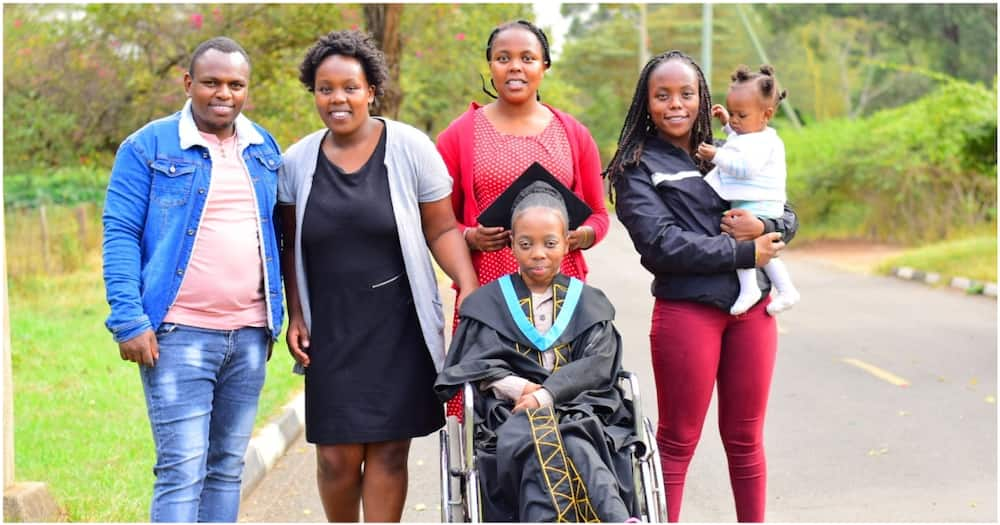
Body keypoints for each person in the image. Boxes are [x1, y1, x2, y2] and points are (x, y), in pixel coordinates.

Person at [277, 30, 478, 522]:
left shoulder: (410, 147)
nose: (338, 98)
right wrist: (296, 313)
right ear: (314, 93)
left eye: (350, 87)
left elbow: (443, 228)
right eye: (326, 88)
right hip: (332, 327)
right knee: (335, 457)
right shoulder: (295, 162)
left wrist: (467, 287)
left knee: (389, 451)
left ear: (371, 91)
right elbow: (288, 247)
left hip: (398, 325)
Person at [605, 50, 799, 522]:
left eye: (686, 94)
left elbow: (783, 211)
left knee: (746, 437)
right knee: (677, 438)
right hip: (688, 311)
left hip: (752, 313)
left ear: (702, 97)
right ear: (645, 102)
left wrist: (766, 224)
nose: (676, 104)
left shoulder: (733, 148)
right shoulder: (636, 166)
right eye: (662, 95)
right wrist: (745, 253)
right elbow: (661, 245)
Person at [102, 37, 283, 522]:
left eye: (235, 84)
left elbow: (279, 236)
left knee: (226, 468)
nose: (223, 93)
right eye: (211, 82)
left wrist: (280, 315)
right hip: (177, 335)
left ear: (247, 89)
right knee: (182, 469)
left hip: (249, 334)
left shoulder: (263, 147)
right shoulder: (147, 146)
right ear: (188, 83)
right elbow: (119, 232)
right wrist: (128, 318)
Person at [435, 176, 638, 522]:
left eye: (550, 243)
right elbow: (474, 363)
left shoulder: (588, 303)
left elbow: (599, 364)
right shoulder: (489, 303)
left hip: (581, 406)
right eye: (526, 244)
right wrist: (522, 389)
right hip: (510, 412)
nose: (538, 253)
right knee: (545, 435)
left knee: (574, 434)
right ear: (511, 244)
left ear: (567, 244)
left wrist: (547, 395)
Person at [436, 19, 609, 297]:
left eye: (527, 58)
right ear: (491, 65)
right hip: (487, 293)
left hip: (560, 293)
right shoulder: (457, 137)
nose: (515, 66)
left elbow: (599, 216)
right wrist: (471, 236)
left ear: (545, 66)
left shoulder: (575, 134)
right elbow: (439, 223)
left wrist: (582, 236)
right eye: (503, 58)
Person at [695, 64, 801, 315]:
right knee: (764, 250)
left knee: (740, 242)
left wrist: (716, 155)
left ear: (766, 114)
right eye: (732, 113)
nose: (735, 120)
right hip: (756, 203)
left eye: (741, 116)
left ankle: (749, 288)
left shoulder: (766, 143)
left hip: (759, 204)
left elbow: (744, 166)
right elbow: (740, 140)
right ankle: (787, 290)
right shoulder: (753, 134)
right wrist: (726, 125)